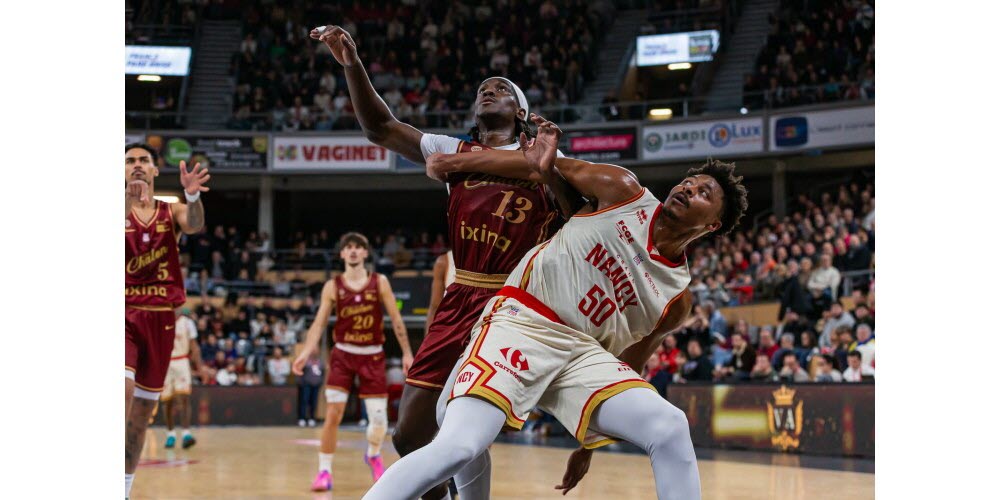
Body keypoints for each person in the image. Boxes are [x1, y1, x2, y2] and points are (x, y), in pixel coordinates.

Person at [362, 115, 748, 500]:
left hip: (582, 354)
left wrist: (588, 447)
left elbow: (631, 364)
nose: (688, 188)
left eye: (703, 193)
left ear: (712, 225)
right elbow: (537, 165)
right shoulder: (624, 190)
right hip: (524, 321)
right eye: (689, 181)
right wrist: (456, 163)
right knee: (460, 446)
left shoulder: (677, 299)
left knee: (669, 426)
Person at [309, 24, 580, 500]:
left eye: (500, 89)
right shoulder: (454, 147)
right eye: (481, 90)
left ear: (522, 112)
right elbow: (382, 128)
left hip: (513, 303)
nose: (487, 91)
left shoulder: (543, 154)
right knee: (409, 434)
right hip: (462, 296)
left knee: (464, 429)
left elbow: (573, 207)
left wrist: (531, 170)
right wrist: (352, 65)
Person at [291, 232, 415, 491]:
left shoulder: (379, 282)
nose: (354, 251)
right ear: (342, 254)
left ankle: (372, 453)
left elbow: (396, 319)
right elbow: (319, 323)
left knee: (379, 421)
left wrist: (406, 353)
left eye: (359, 247)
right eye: (349, 247)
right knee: (333, 414)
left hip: (372, 354)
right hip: (343, 354)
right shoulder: (332, 286)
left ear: (366, 253)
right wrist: (305, 352)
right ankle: (324, 471)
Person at [125, 143, 210, 499]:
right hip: (122, 314)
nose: (138, 166)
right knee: (121, 396)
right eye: (130, 161)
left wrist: (192, 197)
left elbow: (194, 225)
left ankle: (123, 489)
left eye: (144, 160)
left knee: (141, 416)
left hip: (161, 320)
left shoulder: (169, 210)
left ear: (155, 170)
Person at [161, 308, 207, 449]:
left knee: (184, 398)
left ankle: (186, 434)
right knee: (167, 401)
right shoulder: (161, 320)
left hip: (182, 361)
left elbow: (195, 347)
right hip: (164, 362)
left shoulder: (187, 323)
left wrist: (200, 368)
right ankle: (170, 434)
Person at [297, 350, 324, 427]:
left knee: (314, 402)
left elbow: (323, 373)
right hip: (306, 384)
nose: (314, 353)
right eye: (313, 351)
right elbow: (300, 372)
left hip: (316, 385)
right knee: (304, 401)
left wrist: (320, 382)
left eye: (316, 351)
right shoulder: (306, 362)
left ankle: (312, 418)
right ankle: (302, 418)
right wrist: (301, 382)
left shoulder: (320, 362)